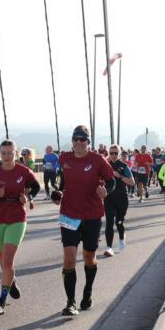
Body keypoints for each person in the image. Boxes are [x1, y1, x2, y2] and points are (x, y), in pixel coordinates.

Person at [49, 125, 115, 316]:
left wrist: (106, 191)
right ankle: (70, 302)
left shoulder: (97, 159)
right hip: (69, 214)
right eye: (76, 139)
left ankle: (88, 290)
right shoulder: (64, 158)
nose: (79, 142)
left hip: (92, 215)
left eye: (83, 139)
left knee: (89, 258)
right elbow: (63, 182)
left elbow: (111, 181)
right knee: (69, 259)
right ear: (72, 141)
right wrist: (58, 193)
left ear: (88, 142)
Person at [0, 140, 39, 315]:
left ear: (16, 153)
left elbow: (35, 187)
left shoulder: (23, 171)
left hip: (17, 218)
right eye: (3, 153)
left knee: (7, 261)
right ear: (0, 153)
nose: (6, 156)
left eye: (10, 153)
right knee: (3, 263)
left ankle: (1, 301)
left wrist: (29, 198)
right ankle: (11, 281)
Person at [102, 144, 134, 257]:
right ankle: (109, 248)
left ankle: (121, 237)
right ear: (108, 154)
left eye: (116, 153)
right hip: (109, 198)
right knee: (109, 222)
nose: (114, 155)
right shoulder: (105, 165)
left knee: (119, 222)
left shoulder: (124, 166)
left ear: (119, 154)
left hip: (122, 198)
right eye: (111, 153)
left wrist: (119, 176)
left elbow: (132, 182)